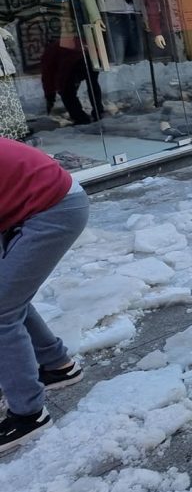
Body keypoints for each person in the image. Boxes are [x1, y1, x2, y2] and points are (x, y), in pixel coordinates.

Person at [0, 139, 89, 454]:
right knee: (8, 298)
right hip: (37, 203)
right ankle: (56, 365)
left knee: (1, 310)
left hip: (54, 208)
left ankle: (28, 415)